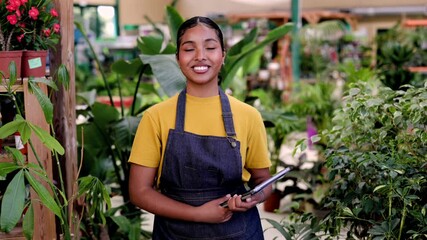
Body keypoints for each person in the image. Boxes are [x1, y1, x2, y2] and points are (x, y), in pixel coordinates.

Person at [128, 16, 272, 239]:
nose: (200, 56)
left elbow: (263, 181)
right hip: (175, 233)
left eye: (210, 47)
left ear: (223, 55)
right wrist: (198, 214)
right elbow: (139, 192)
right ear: (177, 58)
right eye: (189, 49)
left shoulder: (248, 116)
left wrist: (254, 197)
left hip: (238, 231)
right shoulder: (155, 117)